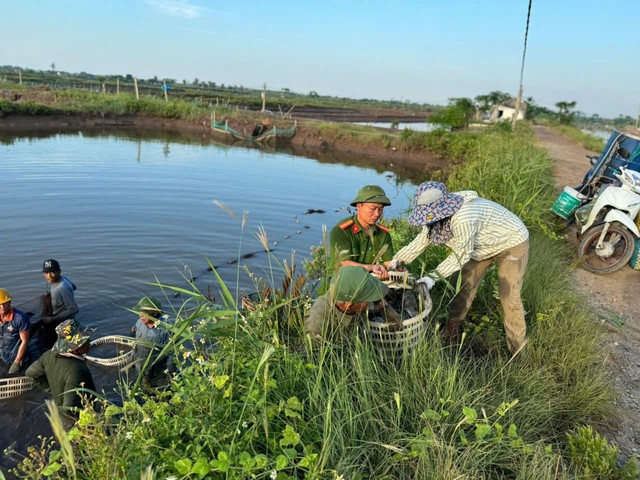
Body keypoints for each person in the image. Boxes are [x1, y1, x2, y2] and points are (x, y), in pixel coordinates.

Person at [388, 181, 529, 354]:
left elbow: (462, 254)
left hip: (510, 241)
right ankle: (451, 331)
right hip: (480, 246)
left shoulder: (463, 217)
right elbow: (422, 240)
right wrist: (397, 260)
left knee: (509, 297)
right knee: (462, 286)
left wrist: (431, 278)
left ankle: (518, 350)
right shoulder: (435, 216)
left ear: (441, 209)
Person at [25, 319, 95, 429]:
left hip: (61, 414)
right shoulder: (77, 370)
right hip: (76, 422)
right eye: (85, 340)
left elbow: (31, 373)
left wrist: (51, 390)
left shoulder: (48, 355)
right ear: (76, 347)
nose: (89, 341)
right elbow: (69, 408)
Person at [323, 185, 394, 292]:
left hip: (367, 287)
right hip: (338, 289)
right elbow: (345, 264)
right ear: (359, 206)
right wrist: (372, 267)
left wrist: (395, 269)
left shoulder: (383, 234)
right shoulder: (341, 231)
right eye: (373, 208)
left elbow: (389, 262)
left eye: (381, 209)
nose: (377, 214)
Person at [304, 265, 389, 341]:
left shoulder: (352, 298)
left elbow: (379, 301)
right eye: (366, 299)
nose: (370, 301)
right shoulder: (318, 322)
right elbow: (313, 355)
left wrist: (388, 312)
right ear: (348, 305)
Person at [131, 296, 173, 386]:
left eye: (144, 313)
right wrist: (132, 360)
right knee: (143, 392)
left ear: (154, 313)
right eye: (140, 312)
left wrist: (170, 374)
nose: (140, 316)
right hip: (140, 368)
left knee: (161, 396)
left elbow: (172, 354)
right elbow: (136, 343)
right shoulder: (139, 322)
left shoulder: (166, 329)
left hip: (158, 374)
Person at [39, 259, 79, 348]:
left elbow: (74, 309)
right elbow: (74, 287)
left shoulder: (62, 288)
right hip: (58, 317)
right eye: (46, 273)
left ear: (59, 271)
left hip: (64, 322)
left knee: (60, 346)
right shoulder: (63, 278)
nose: (49, 276)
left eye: (52, 272)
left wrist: (53, 319)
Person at [0, 289, 31, 374]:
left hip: (16, 356)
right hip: (3, 354)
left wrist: (16, 362)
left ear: (9, 302)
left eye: (4, 303)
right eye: (0, 304)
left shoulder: (20, 318)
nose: (2, 307)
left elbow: (25, 341)